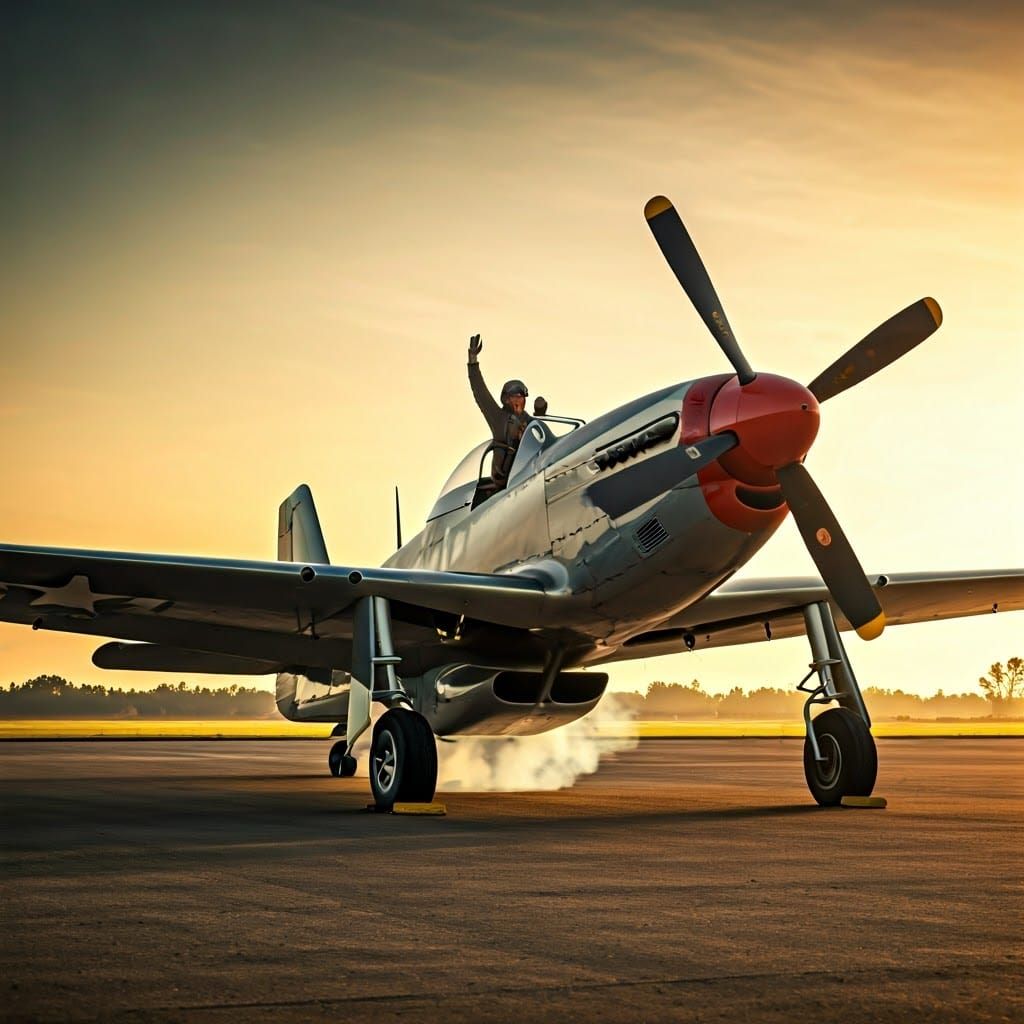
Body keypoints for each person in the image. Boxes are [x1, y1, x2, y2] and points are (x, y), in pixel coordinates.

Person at [467, 334, 531, 490]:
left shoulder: (530, 423)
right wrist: (472, 361)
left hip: (526, 479)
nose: (518, 400)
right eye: (513, 397)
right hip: (504, 485)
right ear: (506, 400)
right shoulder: (499, 418)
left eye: (520, 397)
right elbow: (480, 393)